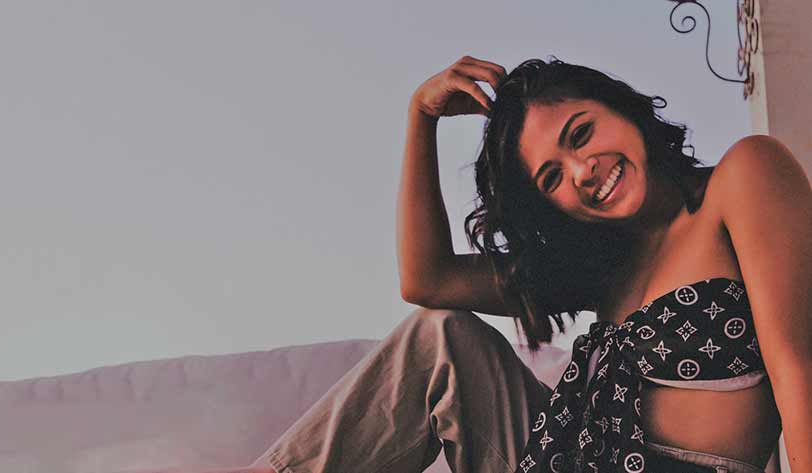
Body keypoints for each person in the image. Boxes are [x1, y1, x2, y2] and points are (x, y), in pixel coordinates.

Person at [213, 56, 811, 473]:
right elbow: (428, 280)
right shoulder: (602, 270)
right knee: (441, 334)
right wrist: (420, 118)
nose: (583, 171)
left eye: (581, 133)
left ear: (622, 108)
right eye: (553, 177)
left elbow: (799, 367)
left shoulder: (743, 178)